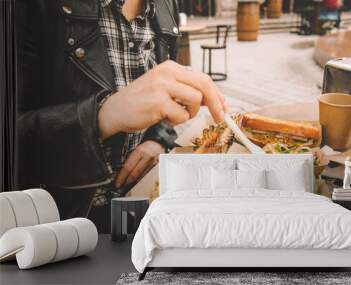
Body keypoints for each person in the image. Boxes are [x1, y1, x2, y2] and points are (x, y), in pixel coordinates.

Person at [16, 0, 226, 232]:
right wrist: (104, 116)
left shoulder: (167, 5)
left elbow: (161, 103)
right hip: (61, 231)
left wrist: (157, 138)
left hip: (144, 217)